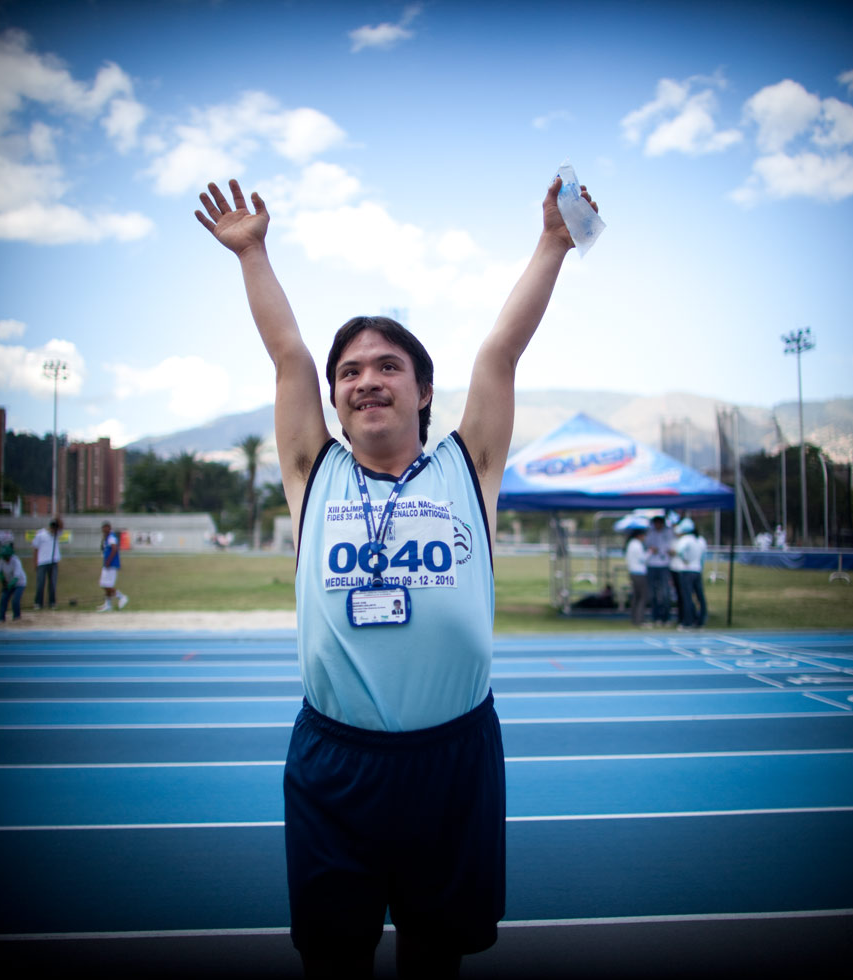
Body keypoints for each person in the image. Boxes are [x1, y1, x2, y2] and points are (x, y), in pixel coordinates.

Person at [196, 174, 597, 979]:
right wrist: (253, 252)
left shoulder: (468, 465)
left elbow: (501, 352)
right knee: (334, 962)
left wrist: (554, 242)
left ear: (422, 392)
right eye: (350, 372)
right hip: (336, 763)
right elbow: (287, 358)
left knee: (433, 958)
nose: (366, 379)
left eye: (387, 366)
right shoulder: (314, 475)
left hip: (454, 761)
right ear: (337, 404)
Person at [676, 519, 709, 629]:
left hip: (686, 571)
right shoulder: (700, 540)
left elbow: (680, 551)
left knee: (687, 597)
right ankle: (701, 621)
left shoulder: (685, 539)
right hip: (697, 570)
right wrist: (700, 567)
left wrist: (685, 559)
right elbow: (704, 556)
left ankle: (687, 622)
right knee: (700, 597)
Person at [644, 514, 672, 626]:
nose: (657, 525)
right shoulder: (650, 533)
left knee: (665, 593)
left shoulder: (668, 533)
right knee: (653, 593)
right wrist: (651, 549)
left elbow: (672, 548)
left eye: (659, 523)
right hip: (652, 565)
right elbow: (646, 546)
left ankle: (666, 617)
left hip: (664, 565)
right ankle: (655, 617)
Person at [32, 517, 63, 609]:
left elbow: (62, 525)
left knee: (52, 583)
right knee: (40, 583)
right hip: (42, 562)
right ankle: (38, 603)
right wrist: (35, 562)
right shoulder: (41, 535)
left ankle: (52, 602)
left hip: (53, 562)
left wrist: (57, 516)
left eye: (56, 527)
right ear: (50, 527)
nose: (54, 529)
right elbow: (35, 549)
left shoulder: (56, 535)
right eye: (53, 527)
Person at [97, 521, 128, 611]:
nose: (104, 529)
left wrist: (108, 561)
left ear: (109, 528)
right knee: (104, 584)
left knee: (108, 584)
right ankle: (108, 604)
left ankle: (122, 597)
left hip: (111, 565)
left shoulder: (111, 537)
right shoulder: (106, 538)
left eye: (106, 527)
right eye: (103, 528)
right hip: (107, 565)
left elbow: (114, 549)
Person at [0, 542, 27, 623]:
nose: (5, 558)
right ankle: (1, 618)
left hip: (20, 583)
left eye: (6, 557)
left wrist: (10, 585)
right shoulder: (2, 560)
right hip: (8, 582)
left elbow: (16, 576)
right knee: (4, 599)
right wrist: (3, 581)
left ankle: (16, 616)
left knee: (15, 600)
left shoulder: (16, 561)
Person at [624, 527, 649, 626]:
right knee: (642, 597)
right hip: (639, 572)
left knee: (636, 597)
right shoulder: (637, 545)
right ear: (639, 535)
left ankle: (635, 619)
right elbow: (642, 559)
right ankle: (640, 620)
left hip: (633, 572)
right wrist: (650, 552)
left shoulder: (630, 544)